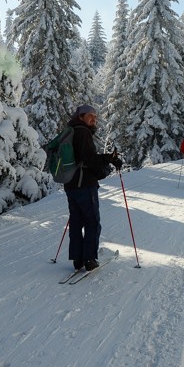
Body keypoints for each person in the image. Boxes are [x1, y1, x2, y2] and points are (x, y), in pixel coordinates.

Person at [64, 105, 122, 271]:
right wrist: (104, 168)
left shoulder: (72, 130)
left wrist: (106, 158)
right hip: (84, 185)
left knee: (76, 221)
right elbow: (88, 158)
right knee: (92, 222)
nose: (93, 120)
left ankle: (78, 259)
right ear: (81, 116)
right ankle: (89, 259)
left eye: (95, 117)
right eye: (90, 116)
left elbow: (82, 156)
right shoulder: (83, 132)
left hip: (71, 185)